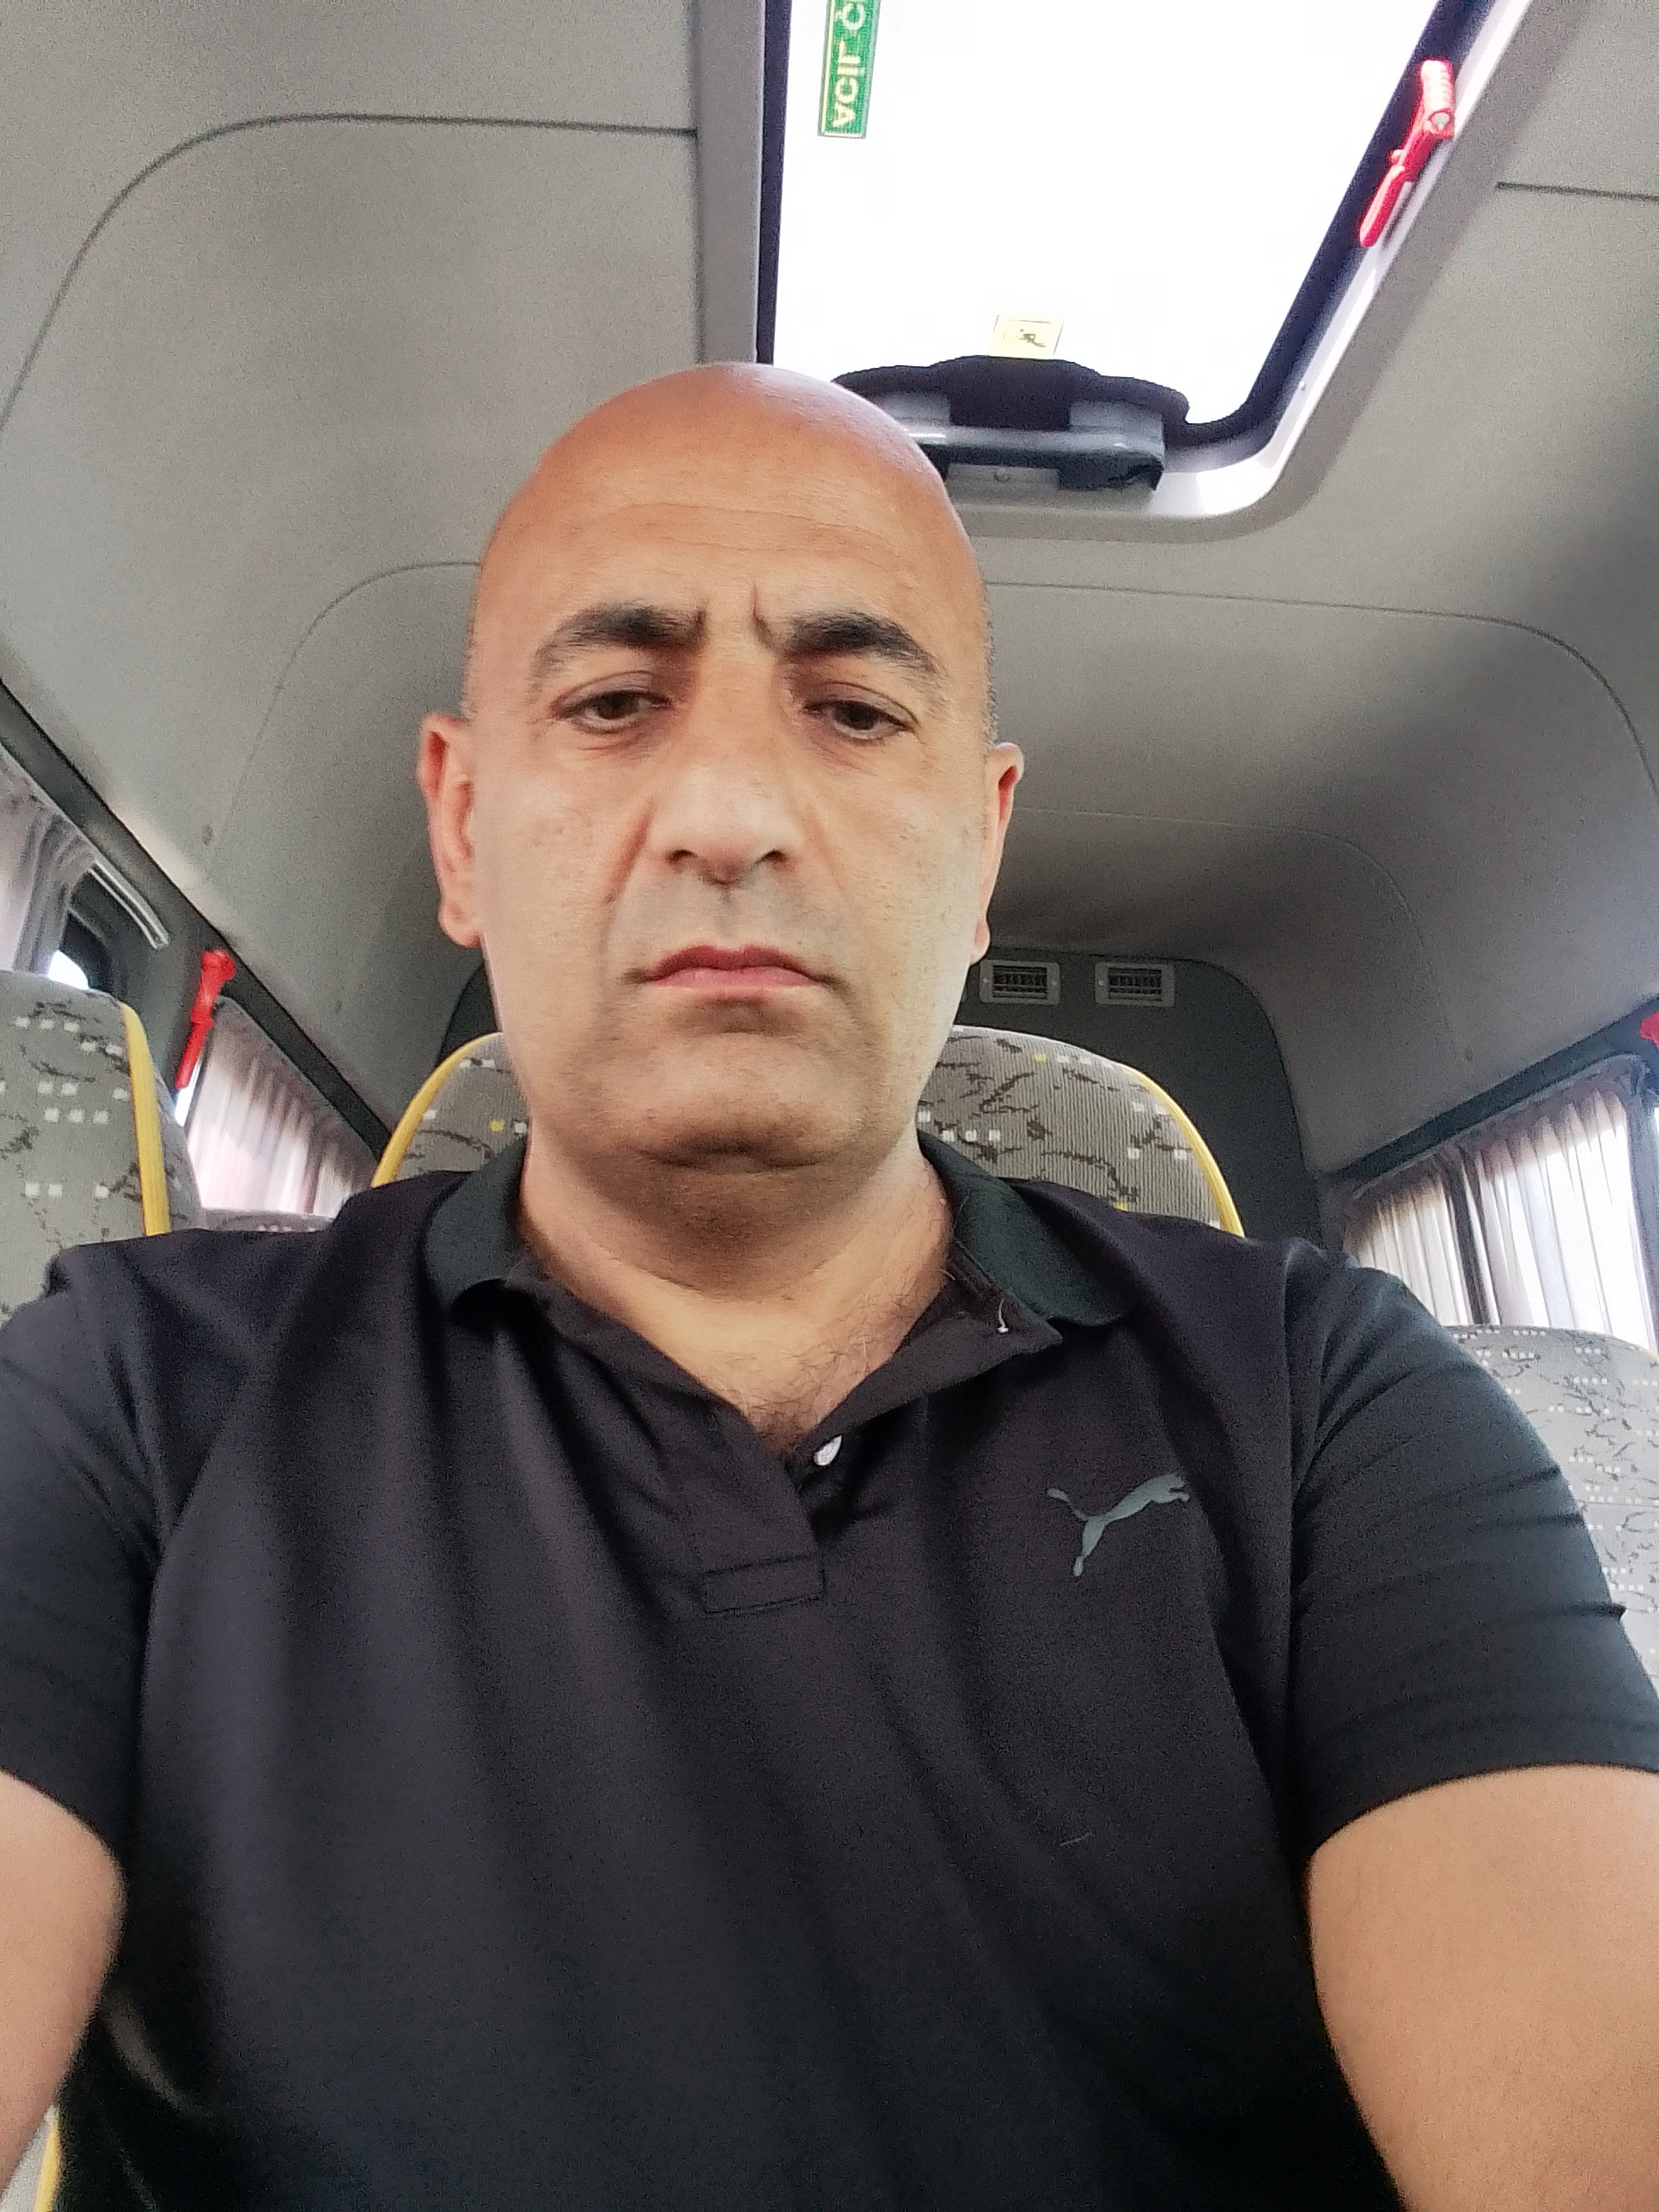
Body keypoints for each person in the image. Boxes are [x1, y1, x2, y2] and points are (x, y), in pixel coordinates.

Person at [1, 365, 1656, 2212]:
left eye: (855, 712)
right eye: (615, 702)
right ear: (461, 828)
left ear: (983, 846)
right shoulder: (120, 1401)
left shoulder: (1333, 1402)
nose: (728, 813)